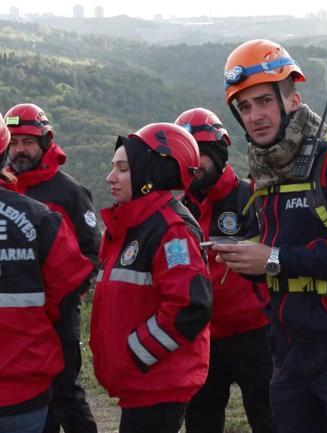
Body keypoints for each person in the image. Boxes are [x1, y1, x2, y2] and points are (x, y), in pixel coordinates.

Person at [215, 39, 327, 433]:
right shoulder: (265, 176)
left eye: (264, 101)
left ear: (293, 101)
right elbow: (274, 261)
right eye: (244, 107)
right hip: (287, 352)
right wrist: (246, 259)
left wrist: (272, 259)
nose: (255, 116)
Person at [90, 123, 212, 433]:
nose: (110, 177)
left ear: (152, 173)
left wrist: (135, 352)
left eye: (123, 169)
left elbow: (189, 306)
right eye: (113, 167)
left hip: (157, 383)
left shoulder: (171, 230)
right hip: (141, 383)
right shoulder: (130, 225)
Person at [175, 107, 273, 433]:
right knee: (201, 423)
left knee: (269, 419)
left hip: (256, 334)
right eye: (187, 155)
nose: (194, 163)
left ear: (219, 151)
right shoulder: (178, 209)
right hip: (202, 337)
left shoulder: (251, 198)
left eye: (201, 153)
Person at [4, 103, 100, 433]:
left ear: (46, 142)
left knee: (65, 392)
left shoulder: (69, 192)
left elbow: (91, 253)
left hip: (59, 313)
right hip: (18, 319)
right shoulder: (7, 189)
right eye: (14, 142)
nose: (20, 150)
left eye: (28, 142)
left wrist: (65, 297)